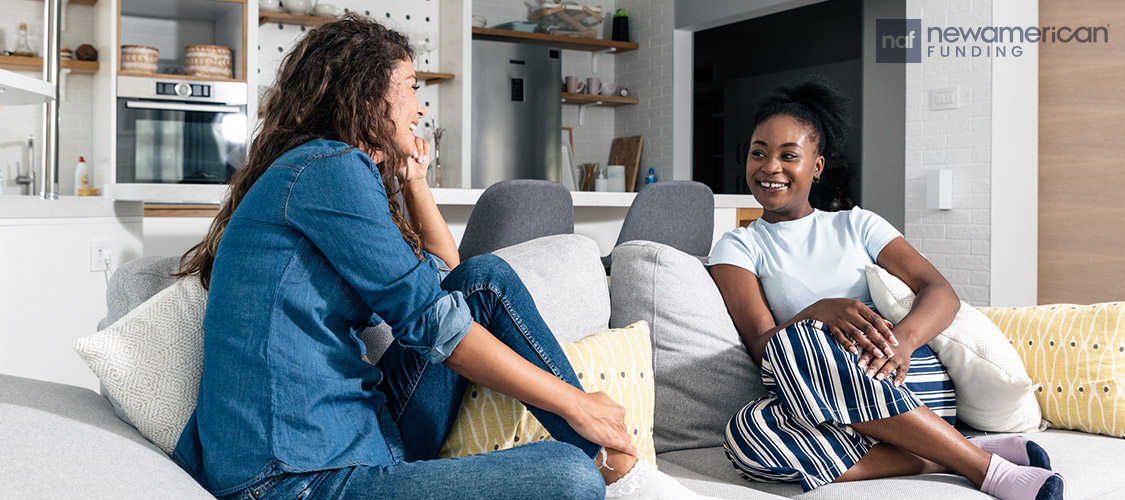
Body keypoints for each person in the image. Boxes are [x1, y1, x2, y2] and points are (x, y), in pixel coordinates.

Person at [170, 15, 714, 500]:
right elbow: (436, 325)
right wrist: (574, 403)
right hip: (295, 477)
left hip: (362, 435)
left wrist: (416, 184)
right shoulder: (327, 169)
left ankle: (616, 462)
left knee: (484, 280)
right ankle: (613, 461)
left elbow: (453, 283)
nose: (420, 107)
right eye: (409, 87)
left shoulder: (321, 172)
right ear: (365, 95)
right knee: (568, 477)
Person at [707, 78, 1063, 500]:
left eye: (789, 156)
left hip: (900, 374)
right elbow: (761, 347)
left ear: (817, 166)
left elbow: (939, 290)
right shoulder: (738, 245)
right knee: (746, 435)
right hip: (818, 397)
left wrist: (905, 342)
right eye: (758, 153)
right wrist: (819, 310)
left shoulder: (857, 223)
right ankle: (950, 450)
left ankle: (985, 471)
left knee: (794, 345)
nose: (770, 168)